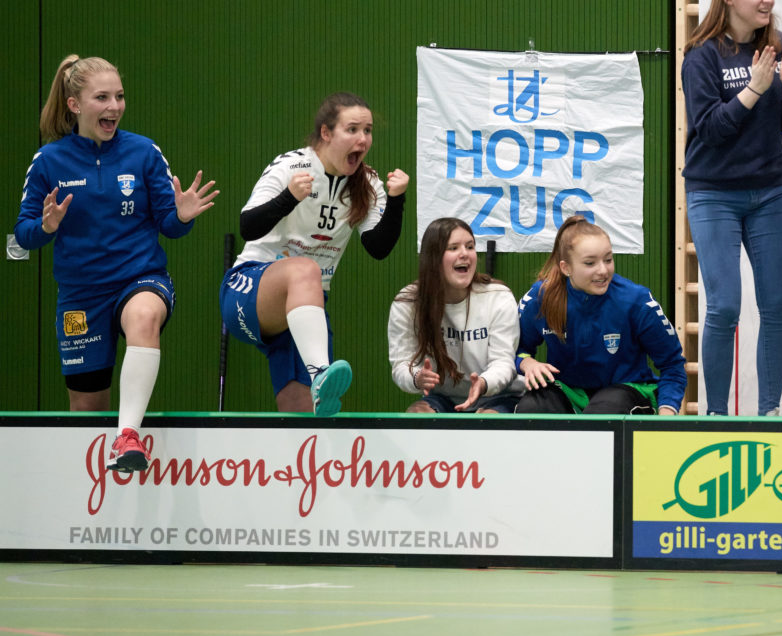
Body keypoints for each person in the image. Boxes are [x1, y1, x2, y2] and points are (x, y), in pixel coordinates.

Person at [14, 55, 217, 472]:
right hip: (81, 296)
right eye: (102, 98)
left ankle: (129, 437)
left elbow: (168, 225)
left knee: (144, 315)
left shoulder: (143, 152)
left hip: (140, 279)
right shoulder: (49, 161)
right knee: (87, 411)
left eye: (119, 97)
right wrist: (47, 226)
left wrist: (180, 215)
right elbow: (23, 234)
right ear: (75, 105)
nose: (114, 107)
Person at [219, 92, 407, 415]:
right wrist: (288, 198)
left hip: (303, 312)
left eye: (368, 130)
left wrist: (397, 200)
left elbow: (378, 247)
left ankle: (307, 431)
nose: (363, 139)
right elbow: (248, 226)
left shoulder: (367, 183)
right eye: (352, 129)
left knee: (304, 416)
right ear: (325, 133)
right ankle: (321, 374)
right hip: (248, 291)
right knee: (306, 269)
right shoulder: (291, 166)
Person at [681, 0, 782, 416]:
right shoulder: (701, 56)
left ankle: (769, 411)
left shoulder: (772, 45)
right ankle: (715, 415)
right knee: (724, 307)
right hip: (714, 193)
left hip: (769, 193)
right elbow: (712, 129)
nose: (767, 0)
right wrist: (755, 88)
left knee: (776, 306)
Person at [515, 216, 686, 415]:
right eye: (590, 263)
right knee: (532, 406)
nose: (603, 270)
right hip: (569, 392)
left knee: (604, 410)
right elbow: (514, 352)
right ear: (566, 268)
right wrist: (527, 363)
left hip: (627, 390)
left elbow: (673, 366)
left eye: (608, 259)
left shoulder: (636, 300)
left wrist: (666, 415)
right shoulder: (539, 297)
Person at [387, 218, 523, 413]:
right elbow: (401, 365)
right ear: (433, 257)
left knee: (488, 420)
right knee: (417, 414)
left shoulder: (497, 296)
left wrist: (484, 383)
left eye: (470, 247)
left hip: (495, 396)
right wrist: (417, 378)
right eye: (453, 248)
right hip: (441, 398)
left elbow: (503, 362)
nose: (465, 254)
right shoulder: (408, 303)